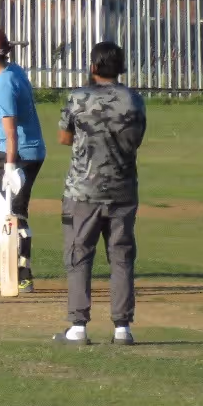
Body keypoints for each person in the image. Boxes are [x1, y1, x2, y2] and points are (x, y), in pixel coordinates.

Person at [54, 41, 146, 345]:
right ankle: (123, 328)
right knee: (121, 257)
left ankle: (78, 326)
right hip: (122, 188)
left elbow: (64, 138)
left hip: (83, 189)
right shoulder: (134, 100)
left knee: (79, 255)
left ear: (93, 66)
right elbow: (136, 139)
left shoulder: (78, 97)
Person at [0, 26, 45, 293]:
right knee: (5, 210)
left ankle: (21, 276)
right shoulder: (14, 71)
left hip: (21, 154)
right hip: (25, 150)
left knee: (13, 214)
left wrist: (11, 165)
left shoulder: (3, 84)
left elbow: (12, 131)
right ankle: (14, 272)